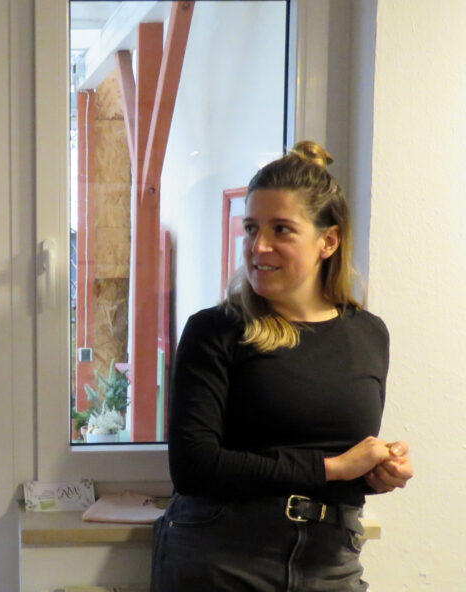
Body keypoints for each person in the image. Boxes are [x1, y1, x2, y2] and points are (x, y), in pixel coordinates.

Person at [151, 141, 414, 591]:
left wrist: (377, 474)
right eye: (251, 228)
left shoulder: (368, 334)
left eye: (282, 230)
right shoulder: (216, 330)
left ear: (328, 241)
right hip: (223, 556)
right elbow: (194, 467)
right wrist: (333, 467)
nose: (259, 246)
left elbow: (341, 458)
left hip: (330, 561)